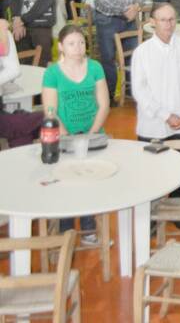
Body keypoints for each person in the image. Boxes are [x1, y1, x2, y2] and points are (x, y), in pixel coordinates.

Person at [131, 4, 180, 217]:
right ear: (152, 22)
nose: (168, 24)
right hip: (153, 126)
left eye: (172, 19)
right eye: (163, 20)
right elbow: (140, 90)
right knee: (151, 175)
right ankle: (151, 216)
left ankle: (177, 211)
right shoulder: (142, 52)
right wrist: (165, 115)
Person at [43, 25, 109, 241]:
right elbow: (50, 110)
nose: (78, 48)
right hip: (64, 137)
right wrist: (68, 137)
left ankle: (89, 230)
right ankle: (66, 232)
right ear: (61, 46)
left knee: (92, 180)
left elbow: (104, 104)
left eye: (81, 42)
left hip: (93, 134)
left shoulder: (95, 67)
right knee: (67, 182)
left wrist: (91, 134)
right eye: (72, 43)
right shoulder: (52, 73)